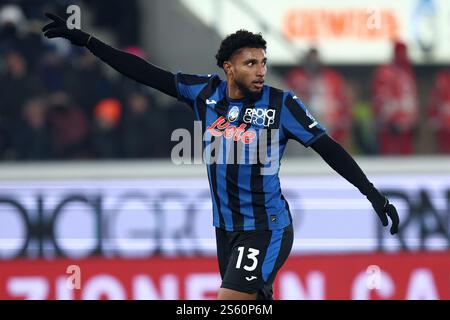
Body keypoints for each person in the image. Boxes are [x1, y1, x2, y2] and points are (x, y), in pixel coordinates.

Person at [42, 12, 400, 300]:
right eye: (250, 63)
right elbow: (145, 74)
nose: (260, 70)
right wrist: (88, 42)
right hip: (225, 230)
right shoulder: (204, 92)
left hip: (266, 227)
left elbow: (330, 149)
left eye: (263, 62)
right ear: (228, 67)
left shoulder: (281, 104)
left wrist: (372, 193)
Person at [284, 48, 352, 149]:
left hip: (330, 124)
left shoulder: (332, 77)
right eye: (311, 60)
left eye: (315, 59)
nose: (313, 63)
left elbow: (342, 100)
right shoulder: (296, 77)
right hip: (304, 124)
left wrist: (343, 119)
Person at [371, 41, 419, 155]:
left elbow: (411, 100)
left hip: (406, 129)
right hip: (390, 129)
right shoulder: (385, 73)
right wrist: (390, 121)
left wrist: (413, 121)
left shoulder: (407, 73)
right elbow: (381, 99)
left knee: (406, 163)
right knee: (390, 162)